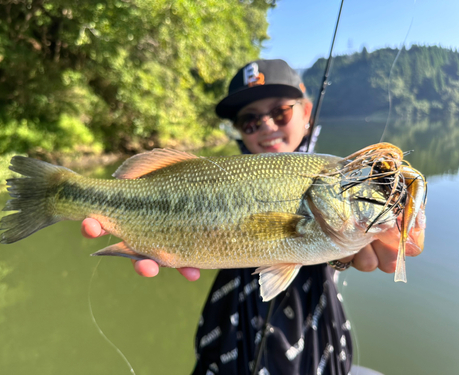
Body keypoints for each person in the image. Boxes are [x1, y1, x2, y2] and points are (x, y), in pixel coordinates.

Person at [81, 59, 423, 375]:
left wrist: (361, 246)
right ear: (240, 131)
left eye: (281, 112)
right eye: (250, 120)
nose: (267, 126)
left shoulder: (335, 171)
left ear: (306, 114)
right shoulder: (214, 174)